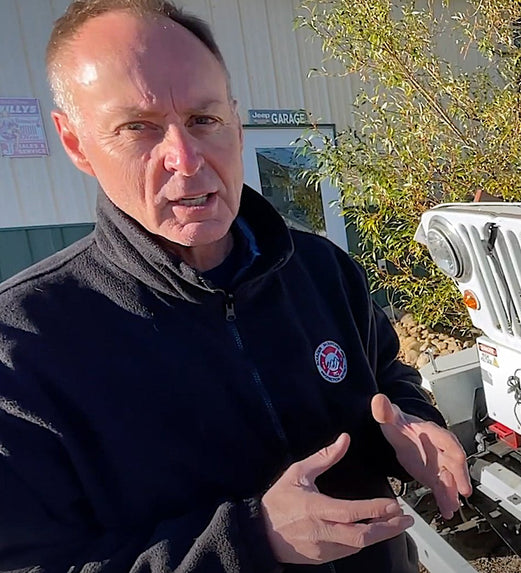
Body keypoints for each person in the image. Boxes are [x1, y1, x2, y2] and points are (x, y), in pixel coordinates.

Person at [0, 1, 472, 571]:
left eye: (204, 119)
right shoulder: (23, 346)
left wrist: (413, 424)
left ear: (236, 122)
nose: (186, 158)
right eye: (137, 128)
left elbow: (386, 374)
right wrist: (253, 540)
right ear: (76, 144)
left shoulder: (323, 269)